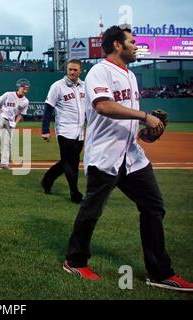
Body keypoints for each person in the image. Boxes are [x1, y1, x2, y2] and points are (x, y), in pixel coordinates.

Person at [63, 25, 193, 292]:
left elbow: (127, 120)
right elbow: (103, 105)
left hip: (131, 156)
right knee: (92, 210)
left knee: (154, 206)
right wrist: (145, 115)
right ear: (118, 46)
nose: (136, 46)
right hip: (105, 154)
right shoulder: (100, 70)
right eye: (132, 42)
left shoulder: (131, 76)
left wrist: (147, 133)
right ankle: (75, 261)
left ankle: (159, 272)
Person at [40, 59, 86, 203]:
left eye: (75, 70)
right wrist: (45, 129)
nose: (72, 72)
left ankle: (47, 180)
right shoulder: (58, 86)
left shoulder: (84, 86)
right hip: (65, 130)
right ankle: (75, 193)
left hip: (79, 131)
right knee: (71, 164)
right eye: (70, 69)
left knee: (68, 161)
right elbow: (48, 108)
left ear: (80, 71)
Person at [0, 79, 30, 169]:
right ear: (19, 87)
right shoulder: (8, 94)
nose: (25, 90)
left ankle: (4, 164)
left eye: (27, 89)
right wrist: (1, 113)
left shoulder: (25, 101)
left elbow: (20, 114)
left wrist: (15, 123)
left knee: (9, 143)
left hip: (11, 121)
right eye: (23, 88)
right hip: (1, 116)